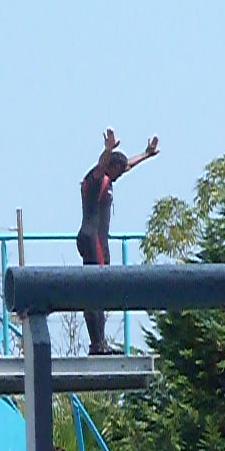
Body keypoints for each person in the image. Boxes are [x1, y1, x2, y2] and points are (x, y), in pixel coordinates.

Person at [76, 128, 158, 354]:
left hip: (95, 239)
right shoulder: (96, 179)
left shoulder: (110, 176)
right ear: (110, 166)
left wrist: (146, 154)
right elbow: (102, 165)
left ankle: (99, 342)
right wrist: (107, 149)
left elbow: (126, 165)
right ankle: (98, 344)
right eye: (118, 170)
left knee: (97, 291)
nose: (121, 174)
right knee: (96, 291)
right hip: (93, 238)